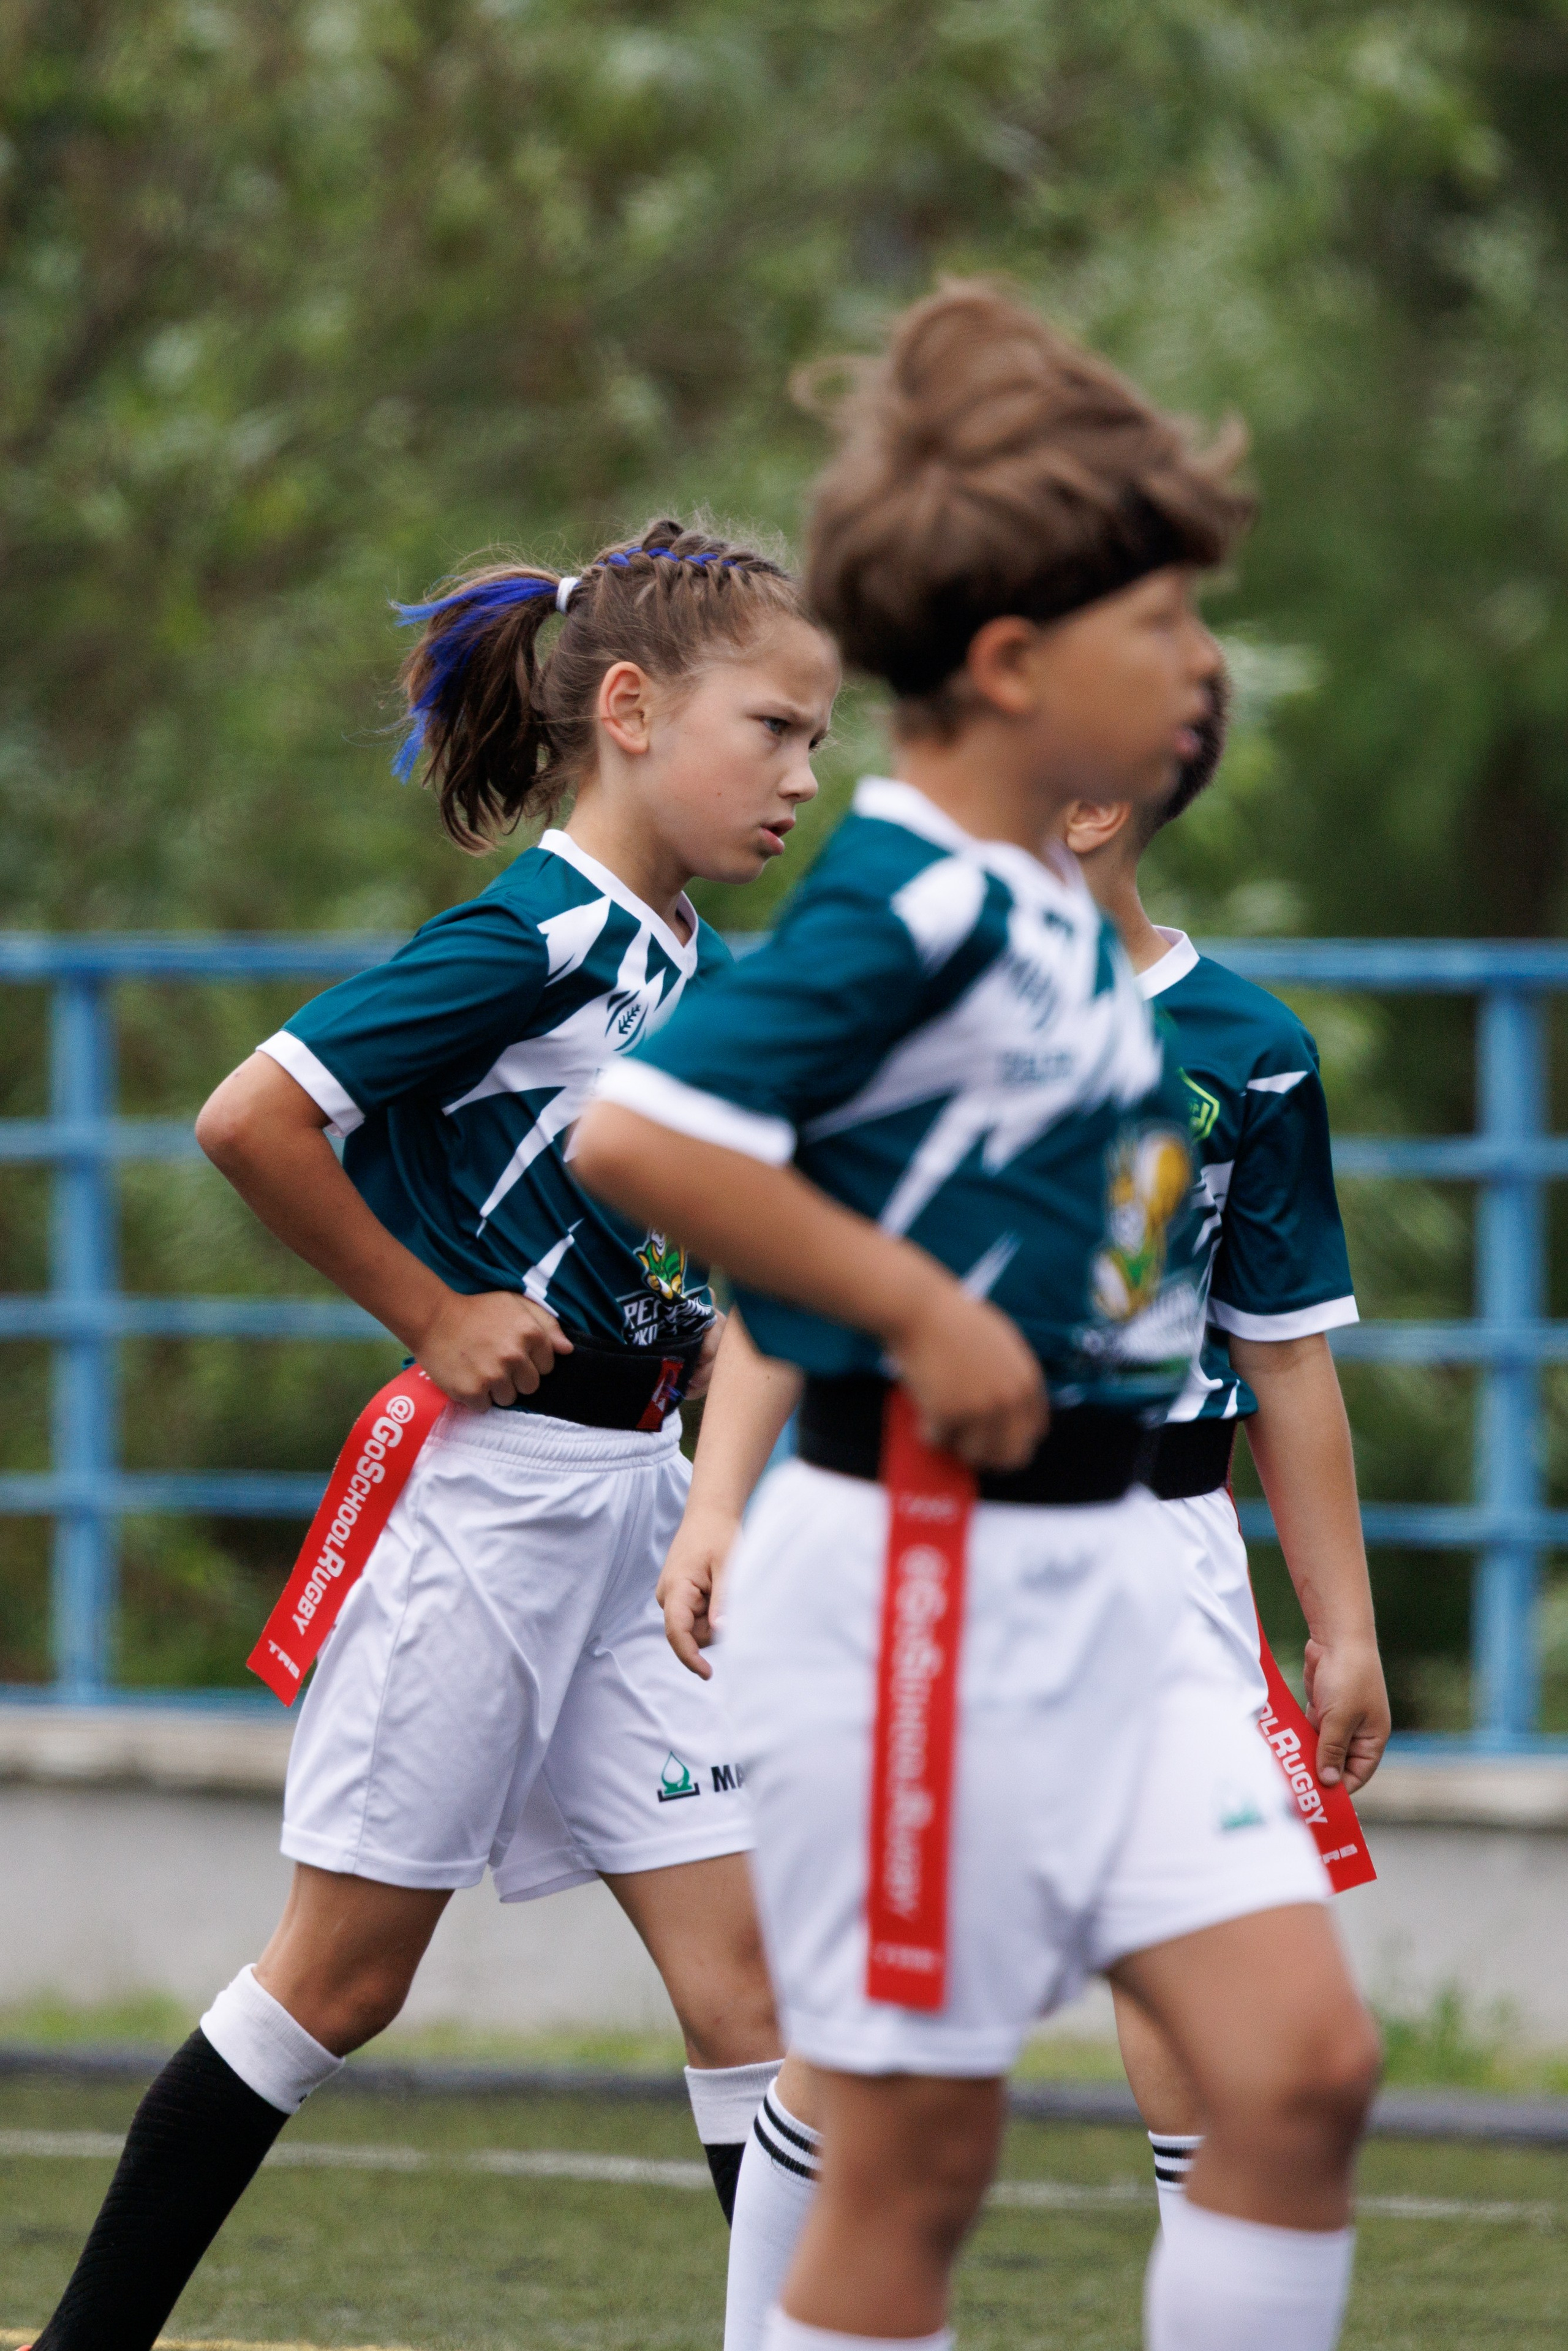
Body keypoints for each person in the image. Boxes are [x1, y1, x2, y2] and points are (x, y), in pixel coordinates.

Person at [576, 285, 1383, 2351]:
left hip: (1123, 1572)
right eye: (1165, 630)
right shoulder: (917, 888)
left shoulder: (1045, 897)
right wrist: (916, 1308)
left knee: (1296, 2066)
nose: (1200, 670)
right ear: (1020, 667)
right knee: (907, 2161)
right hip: (935, 1575)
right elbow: (645, 1139)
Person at [28, 519, 840, 2351]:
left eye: (816, 739)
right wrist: (431, 1310)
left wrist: (692, 1334)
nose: (804, 775)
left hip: (631, 1510)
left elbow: (592, 1199)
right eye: (773, 729)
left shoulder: (681, 950)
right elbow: (253, 1118)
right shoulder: (538, 929)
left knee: (755, 1992)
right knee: (343, 1977)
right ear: (629, 710)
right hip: (485, 1509)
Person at [1060, 672, 1391, 2225]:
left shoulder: (1242, 1048)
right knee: (875, 2001)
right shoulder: (893, 1014)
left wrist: (1340, 1628)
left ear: (1090, 808)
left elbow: (1282, 1354)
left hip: (1167, 1550)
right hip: (936, 1538)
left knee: (1211, 1955)